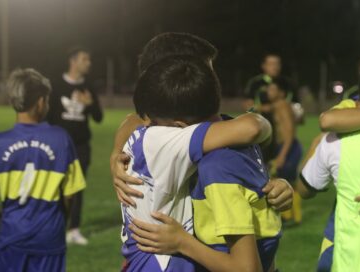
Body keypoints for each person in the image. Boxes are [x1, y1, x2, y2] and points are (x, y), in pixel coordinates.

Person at [118, 56, 277, 272]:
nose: (148, 126)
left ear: (180, 125)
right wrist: (184, 243)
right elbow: (253, 127)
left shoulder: (213, 154)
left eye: (153, 121)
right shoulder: (167, 141)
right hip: (161, 262)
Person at [111, 32, 293, 213]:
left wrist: (276, 186)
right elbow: (253, 128)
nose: (211, 80)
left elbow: (134, 120)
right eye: (206, 71)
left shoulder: (175, 127)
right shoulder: (178, 134)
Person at [0, 68, 86, 272]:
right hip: (49, 237)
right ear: (40, 102)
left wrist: (3, 225)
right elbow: (71, 194)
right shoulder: (61, 139)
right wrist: (60, 222)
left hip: (11, 236)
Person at [297, 65, 360, 272]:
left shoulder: (334, 142)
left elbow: (303, 189)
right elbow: (328, 120)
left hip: (348, 258)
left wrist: (317, 144)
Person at [47, 47, 103, 245]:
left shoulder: (88, 86)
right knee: (55, 186)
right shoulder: (56, 85)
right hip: (57, 146)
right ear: (73, 61)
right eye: (84, 59)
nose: (88, 63)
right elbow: (48, 115)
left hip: (80, 146)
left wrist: (90, 104)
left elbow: (98, 117)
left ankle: (74, 229)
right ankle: (54, 227)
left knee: (77, 188)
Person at [266, 80, 303, 225]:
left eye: (273, 90)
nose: (269, 92)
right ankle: (289, 217)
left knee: (287, 183)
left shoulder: (282, 106)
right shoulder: (279, 106)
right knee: (282, 179)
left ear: (281, 93)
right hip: (286, 147)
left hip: (288, 147)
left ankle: (294, 217)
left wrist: (282, 155)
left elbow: (289, 132)